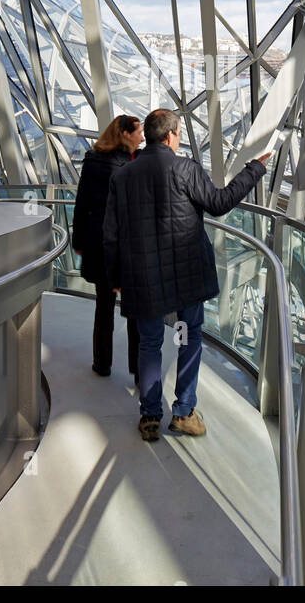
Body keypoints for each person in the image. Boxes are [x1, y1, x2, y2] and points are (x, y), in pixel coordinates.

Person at [103, 108, 269, 442]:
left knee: (149, 343)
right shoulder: (185, 169)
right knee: (189, 337)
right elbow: (219, 202)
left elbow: (111, 233)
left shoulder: (123, 176)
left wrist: (115, 277)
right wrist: (255, 170)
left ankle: (150, 417)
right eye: (178, 134)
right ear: (170, 136)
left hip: (143, 276)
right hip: (186, 275)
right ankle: (183, 412)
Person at [72, 114, 142, 379]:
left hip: (99, 243)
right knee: (135, 309)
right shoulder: (133, 163)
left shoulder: (92, 160)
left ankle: (102, 363)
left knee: (104, 307)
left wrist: (79, 241)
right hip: (128, 244)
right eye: (138, 132)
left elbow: (82, 203)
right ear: (125, 133)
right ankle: (137, 368)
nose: (142, 137)